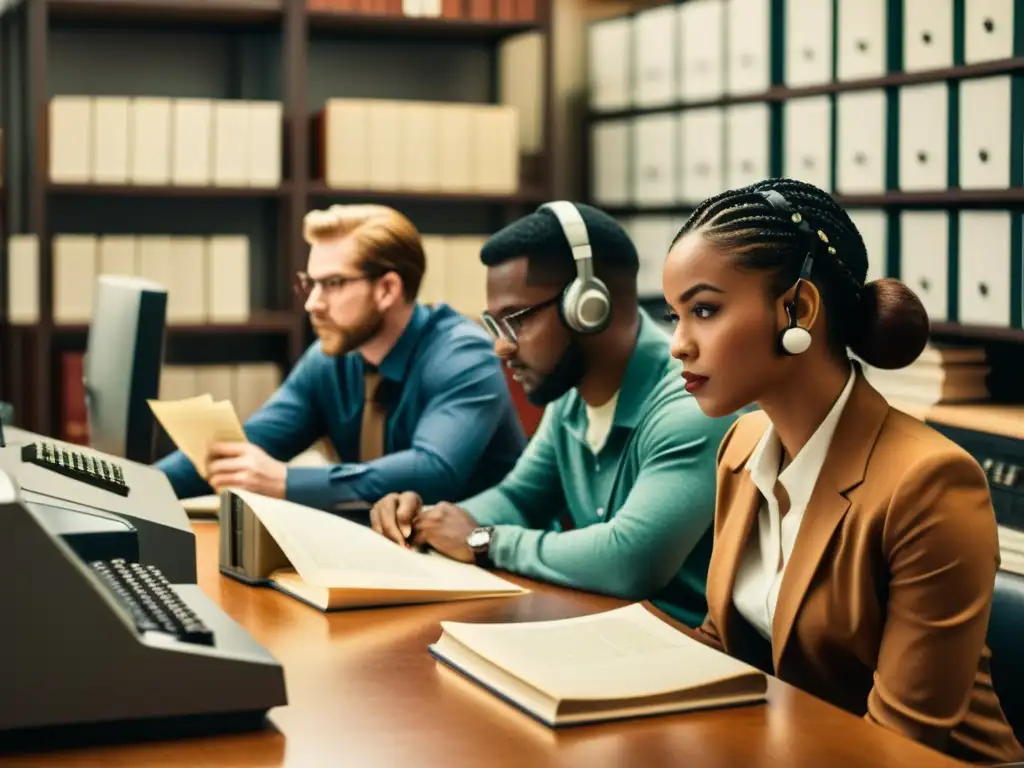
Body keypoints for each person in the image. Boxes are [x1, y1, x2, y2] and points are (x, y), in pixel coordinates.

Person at [662, 177, 1024, 763]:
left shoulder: (931, 485)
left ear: (798, 308)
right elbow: (726, 645)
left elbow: (900, 744)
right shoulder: (742, 446)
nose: (679, 343)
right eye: (675, 316)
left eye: (704, 310)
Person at [370, 201, 737, 627]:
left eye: (517, 320)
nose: (502, 347)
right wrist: (427, 521)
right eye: (494, 324)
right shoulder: (571, 395)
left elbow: (629, 560)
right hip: (604, 631)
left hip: (692, 654)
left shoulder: (692, 402)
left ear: (590, 306)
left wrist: (481, 540)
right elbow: (520, 499)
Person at [155, 204, 526, 511]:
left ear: (387, 289)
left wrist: (287, 482)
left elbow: (434, 470)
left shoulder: (463, 354)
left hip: (490, 564)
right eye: (311, 284)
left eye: (332, 284)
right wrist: (132, 489)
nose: (313, 303)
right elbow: (242, 447)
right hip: (389, 555)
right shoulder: (330, 359)